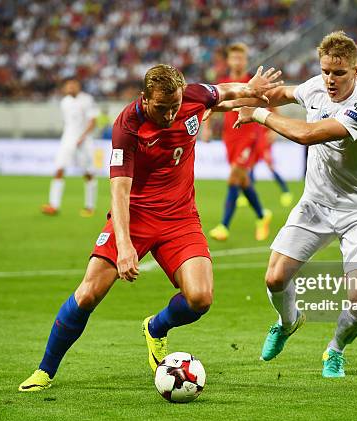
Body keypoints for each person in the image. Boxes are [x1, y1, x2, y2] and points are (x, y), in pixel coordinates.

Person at [19, 64, 282, 391]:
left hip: (180, 217)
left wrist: (248, 88)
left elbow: (221, 94)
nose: (170, 115)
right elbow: (119, 190)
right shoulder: (127, 126)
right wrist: (126, 246)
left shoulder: (192, 97)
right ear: (144, 98)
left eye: (175, 106)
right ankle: (45, 370)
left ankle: (156, 328)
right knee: (88, 294)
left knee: (200, 298)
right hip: (135, 215)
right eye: (161, 107)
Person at [228, 31, 357, 378]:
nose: (331, 79)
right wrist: (247, 92)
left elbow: (308, 134)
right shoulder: (317, 85)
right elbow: (282, 93)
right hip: (316, 202)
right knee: (274, 277)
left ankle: (335, 350)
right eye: (326, 70)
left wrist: (256, 114)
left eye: (340, 73)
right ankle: (288, 322)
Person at [205, 43, 274, 242]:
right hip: (230, 137)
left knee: (234, 177)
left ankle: (224, 226)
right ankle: (262, 215)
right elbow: (213, 105)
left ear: (245, 60)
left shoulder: (251, 81)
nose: (236, 61)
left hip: (249, 136)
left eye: (240, 58)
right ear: (228, 61)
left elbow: (269, 102)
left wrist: (270, 128)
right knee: (243, 180)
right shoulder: (224, 82)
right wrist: (207, 128)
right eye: (233, 58)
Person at [41, 78, 100, 217]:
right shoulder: (65, 102)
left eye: (73, 85)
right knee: (59, 169)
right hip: (67, 140)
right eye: (68, 85)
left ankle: (89, 207)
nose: (71, 87)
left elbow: (93, 121)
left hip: (84, 141)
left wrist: (83, 137)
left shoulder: (87, 100)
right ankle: (53, 205)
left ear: (78, 86)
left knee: (88, 173)